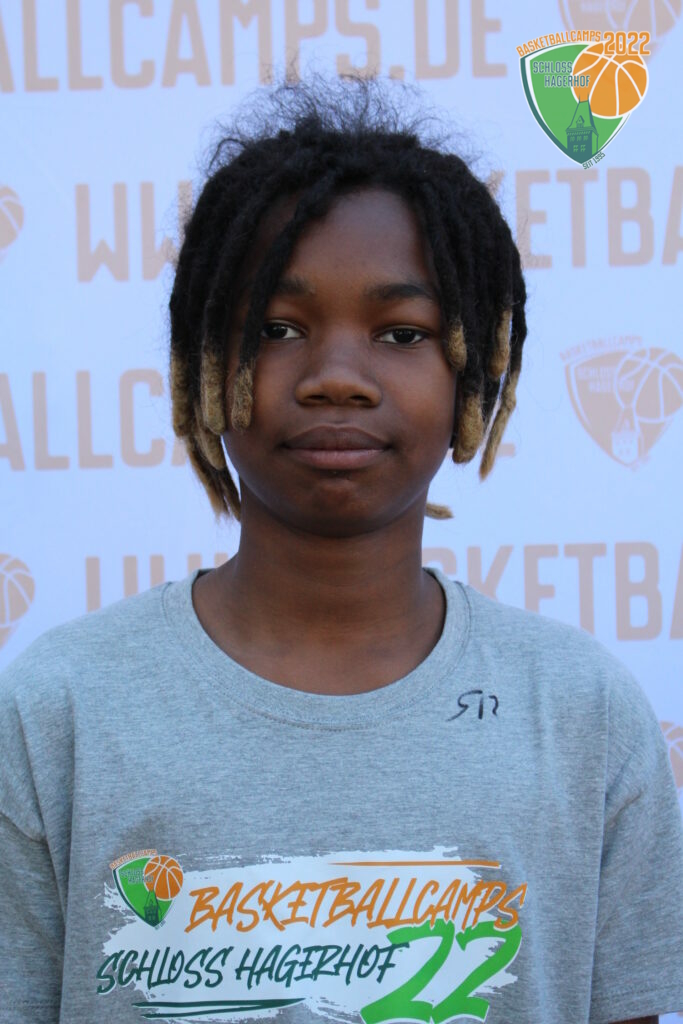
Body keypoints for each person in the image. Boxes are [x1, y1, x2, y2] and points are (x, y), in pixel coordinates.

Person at [0, 78, 681, 1024]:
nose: (335, 378)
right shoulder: (61, 709)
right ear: (204, 366)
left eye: (402, 333)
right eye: (276, 329)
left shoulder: (579, 713)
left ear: (474, 375)